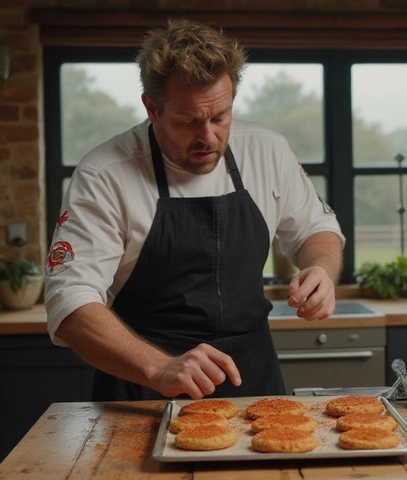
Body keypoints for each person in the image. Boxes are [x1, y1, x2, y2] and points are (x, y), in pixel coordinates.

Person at [44, 18, 344, 402]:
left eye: (220, 117)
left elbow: (316, 226)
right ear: (151, 108)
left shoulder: (268, 150)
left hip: (253, 383)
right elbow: (69, 300)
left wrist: (321, 268)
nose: (208, 137)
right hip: (145, 387)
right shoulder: (104, 174)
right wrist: (159, 368)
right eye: (188, 121)